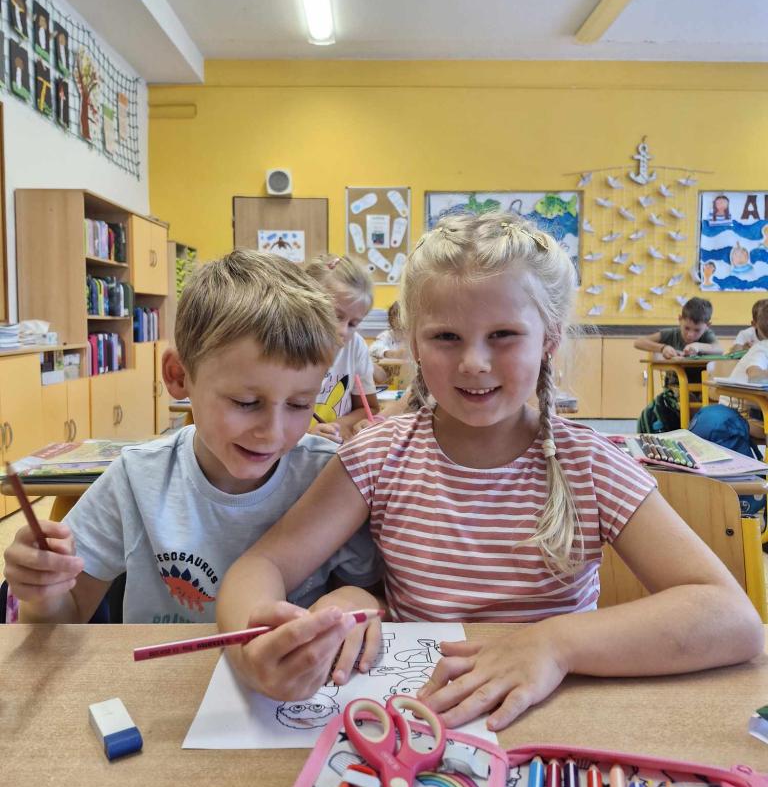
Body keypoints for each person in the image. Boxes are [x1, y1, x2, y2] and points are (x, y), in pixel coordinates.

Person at [216, 213, 762, 732]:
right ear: (413, 343)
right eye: (446, 337)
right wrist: (251, 650)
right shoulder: (378, 455)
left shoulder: (589, 464)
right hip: (419, 719)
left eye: (503, 335)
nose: (474, 362)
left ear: (549, 339)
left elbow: (731, 618)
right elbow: (262, 564)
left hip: (558, 725)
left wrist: (555, 644)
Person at [3, 250, 381, 625]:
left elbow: (371, 593)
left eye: (300, 404)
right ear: (179, 376)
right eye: (246, 402)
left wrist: (354, 602)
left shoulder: (331, 478)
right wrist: (43, 593)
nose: (273, 432)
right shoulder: (137, 479)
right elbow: (64, 618)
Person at [306, 254, 380, 442]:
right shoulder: (284, 348)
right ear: (306, 304)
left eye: (353, 324)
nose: (343, 331)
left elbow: (369, 408)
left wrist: (341, 425)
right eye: (336, 316)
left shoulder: (355, 346)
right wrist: (307, 435)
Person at [635, 297, 723, 433]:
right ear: (680, 319)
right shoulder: (671, 334)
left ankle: (700, 430)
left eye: (697, 330)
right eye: (687, 328)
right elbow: (639, 342)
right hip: (675, 387)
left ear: (707, 325)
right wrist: (663, 348)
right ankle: (693, 430)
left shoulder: (707, 335)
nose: (690, 334)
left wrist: (698, 346)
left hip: (703, 386)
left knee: (715, 404)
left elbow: (719, 349)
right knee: (684, 401)